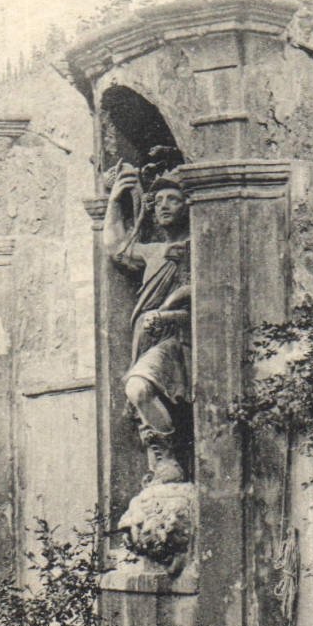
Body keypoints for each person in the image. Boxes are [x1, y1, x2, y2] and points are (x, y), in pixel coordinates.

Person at [103, 153, 191, 484]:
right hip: (146, 335)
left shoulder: (195, 245)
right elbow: (117, 248)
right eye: (158, 200)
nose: (164, 205)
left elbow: (201, 294)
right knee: (139, 391)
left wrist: (168, 310)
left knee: (138, 388)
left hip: (178, 339)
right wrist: (115, 202)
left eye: (174, 199)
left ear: (188, 205)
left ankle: (168, 455)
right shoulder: (152, 250)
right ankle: (161, 459)